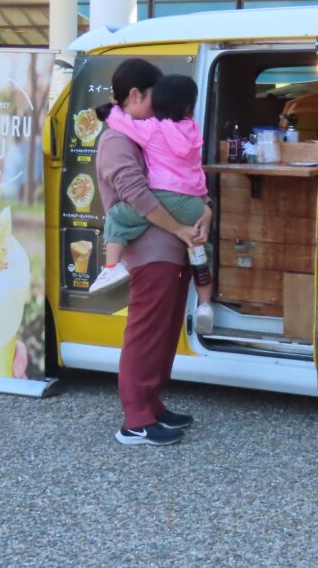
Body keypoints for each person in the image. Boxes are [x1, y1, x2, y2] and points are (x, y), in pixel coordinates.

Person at [94, 59, 210, 446]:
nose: (160, 107)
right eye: (153, 98)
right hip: (148, 246)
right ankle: (135, 418)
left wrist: (204, 210)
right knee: (146, 330)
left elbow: (184, 177)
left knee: (165, 326)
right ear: (134, 95)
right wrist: (178, 226)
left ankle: (152, 402)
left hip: (169, 245)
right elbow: (136, 193)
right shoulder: (116, 138)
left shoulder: (150, 131)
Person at [88, 74, 215, 335]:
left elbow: (123, 124)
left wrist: (108, 110)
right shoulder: (192, 130)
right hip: (194, 203)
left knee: (118, 217)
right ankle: (205, 305)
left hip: (165, 197)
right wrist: (206, 207)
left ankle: (111, 268)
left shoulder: (154, 129)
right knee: (201, 254)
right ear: (189, 108)